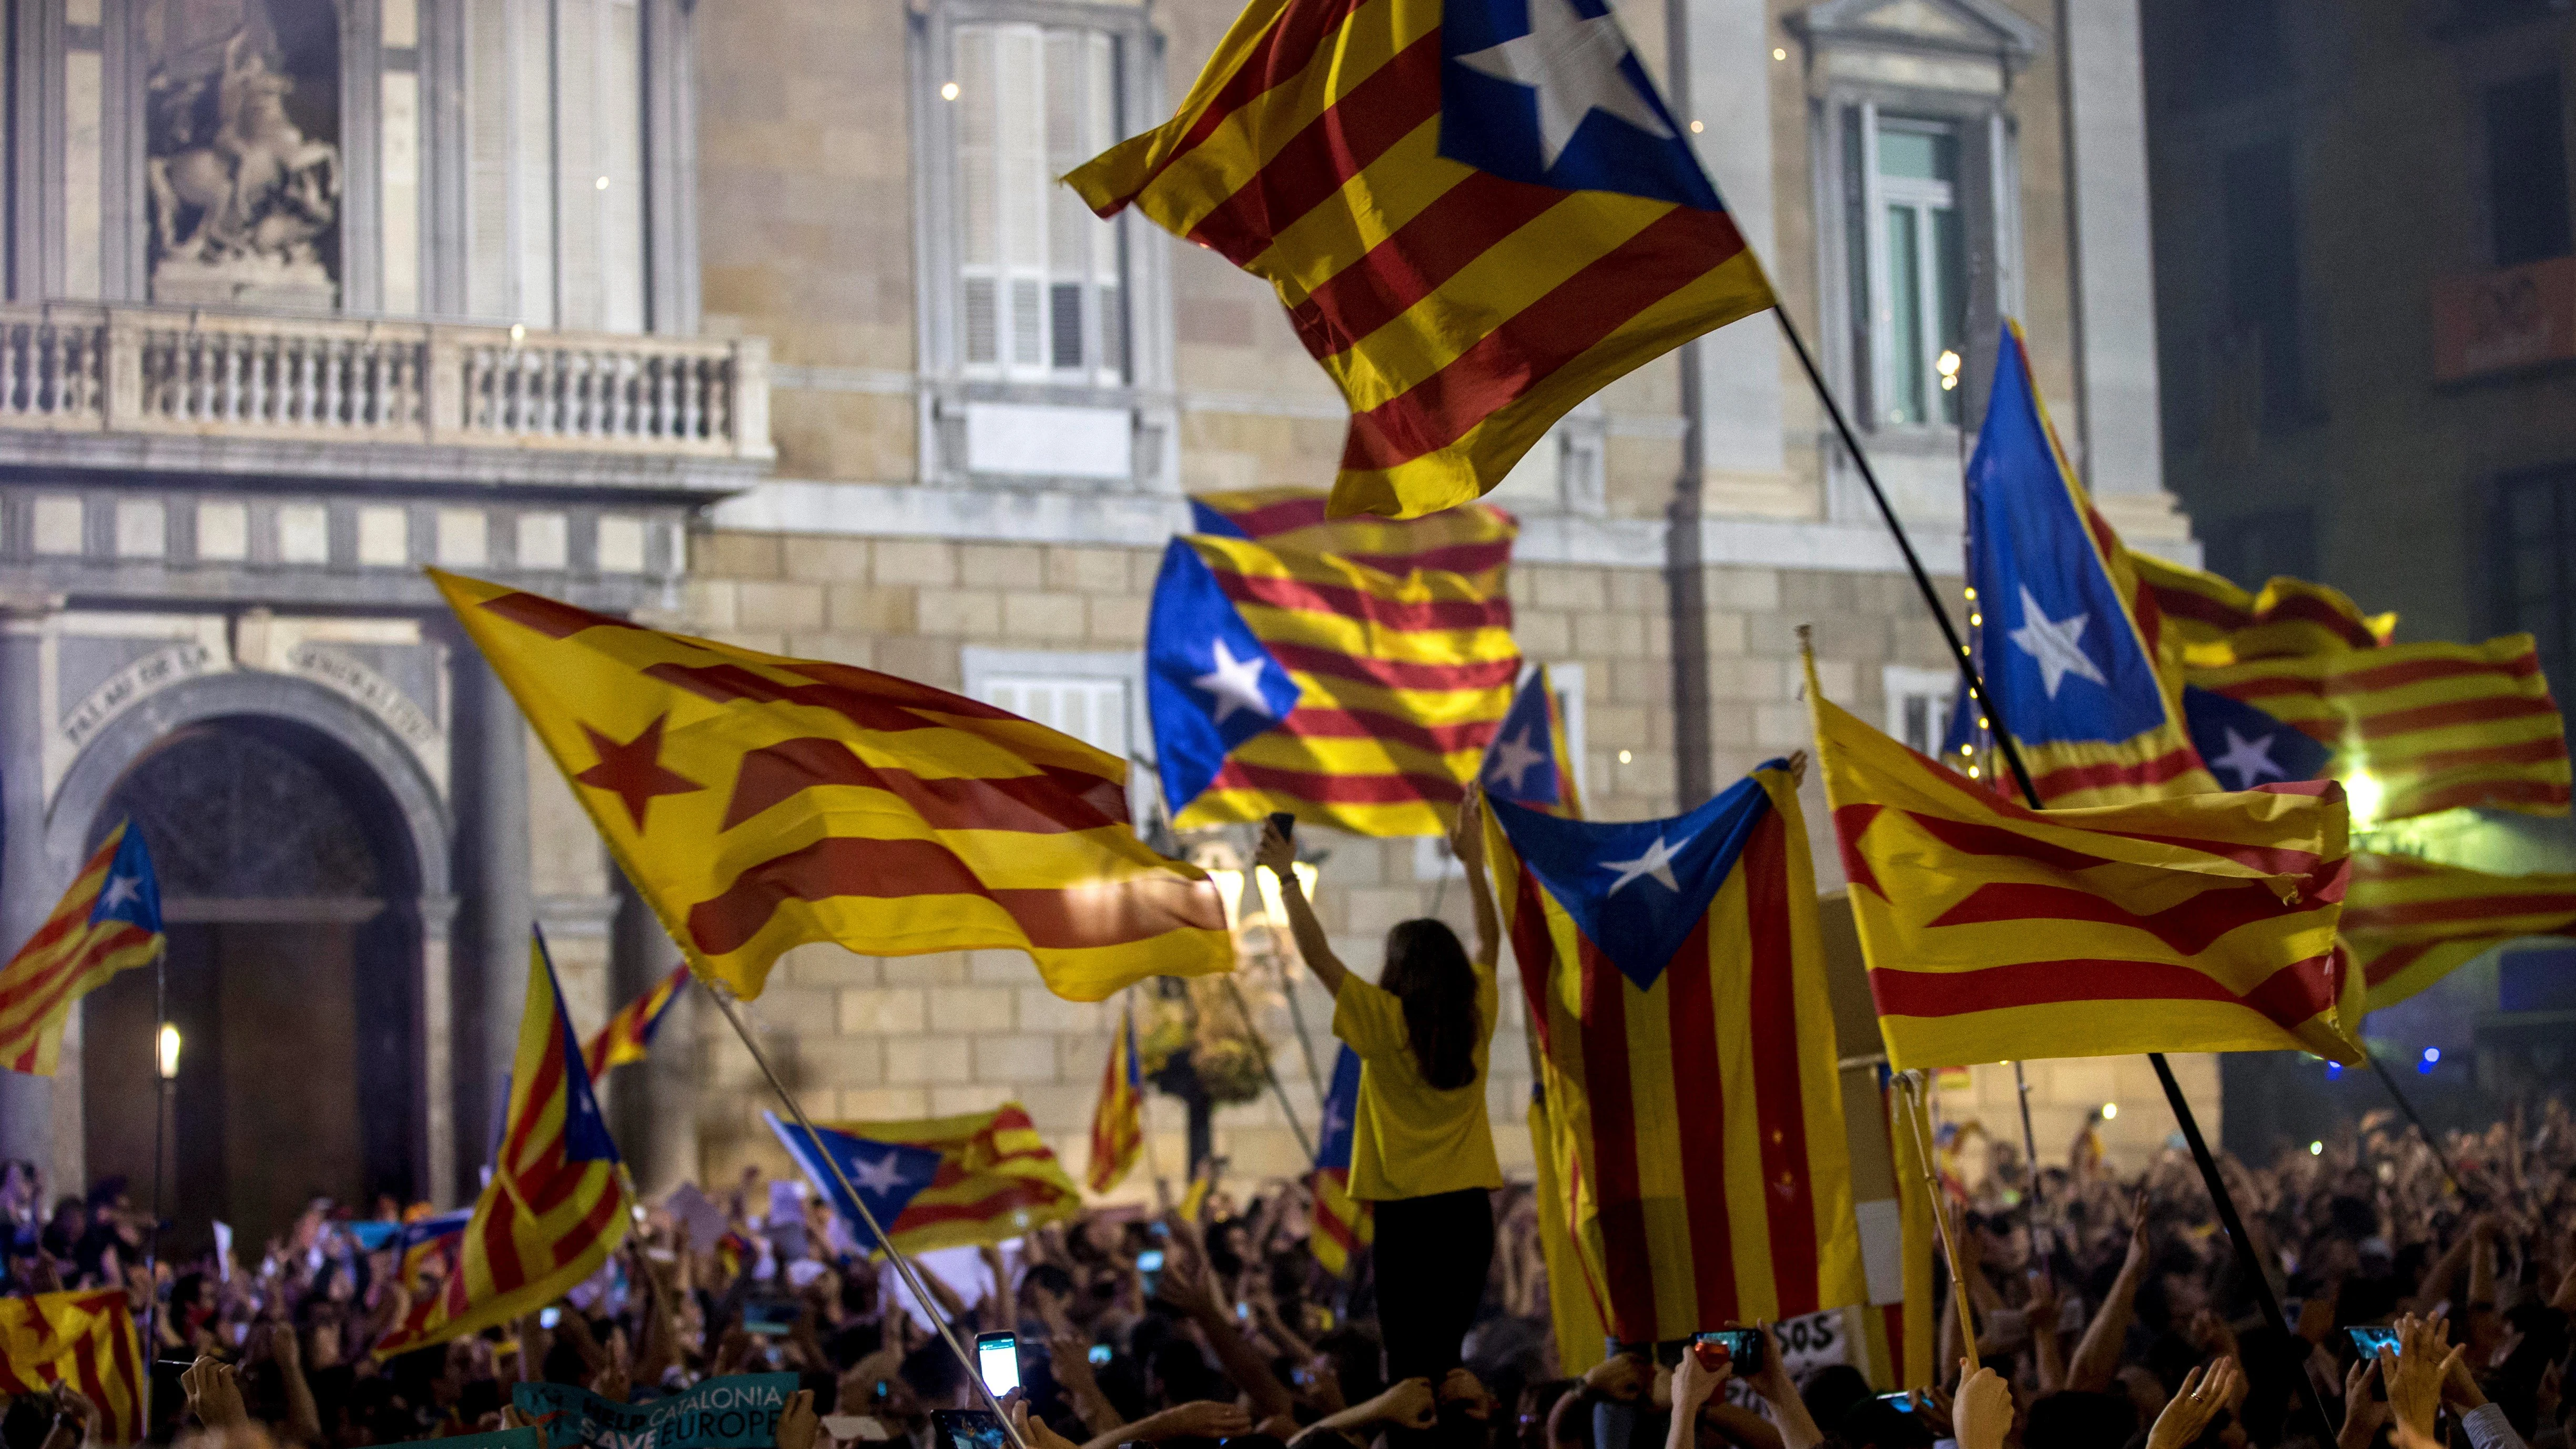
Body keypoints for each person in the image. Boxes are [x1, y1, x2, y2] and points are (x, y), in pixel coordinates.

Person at [1257, 789, 1503, 1387]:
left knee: (1408, 1369)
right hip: (1468, 1215)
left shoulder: (1382, 1021)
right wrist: (1473, 862)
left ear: (1396, 972)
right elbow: (1489, 944)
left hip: (1406, 1222)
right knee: (1449, 1361)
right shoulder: (1477, 1016)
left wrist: (1286, 877)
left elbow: (1317, 957)